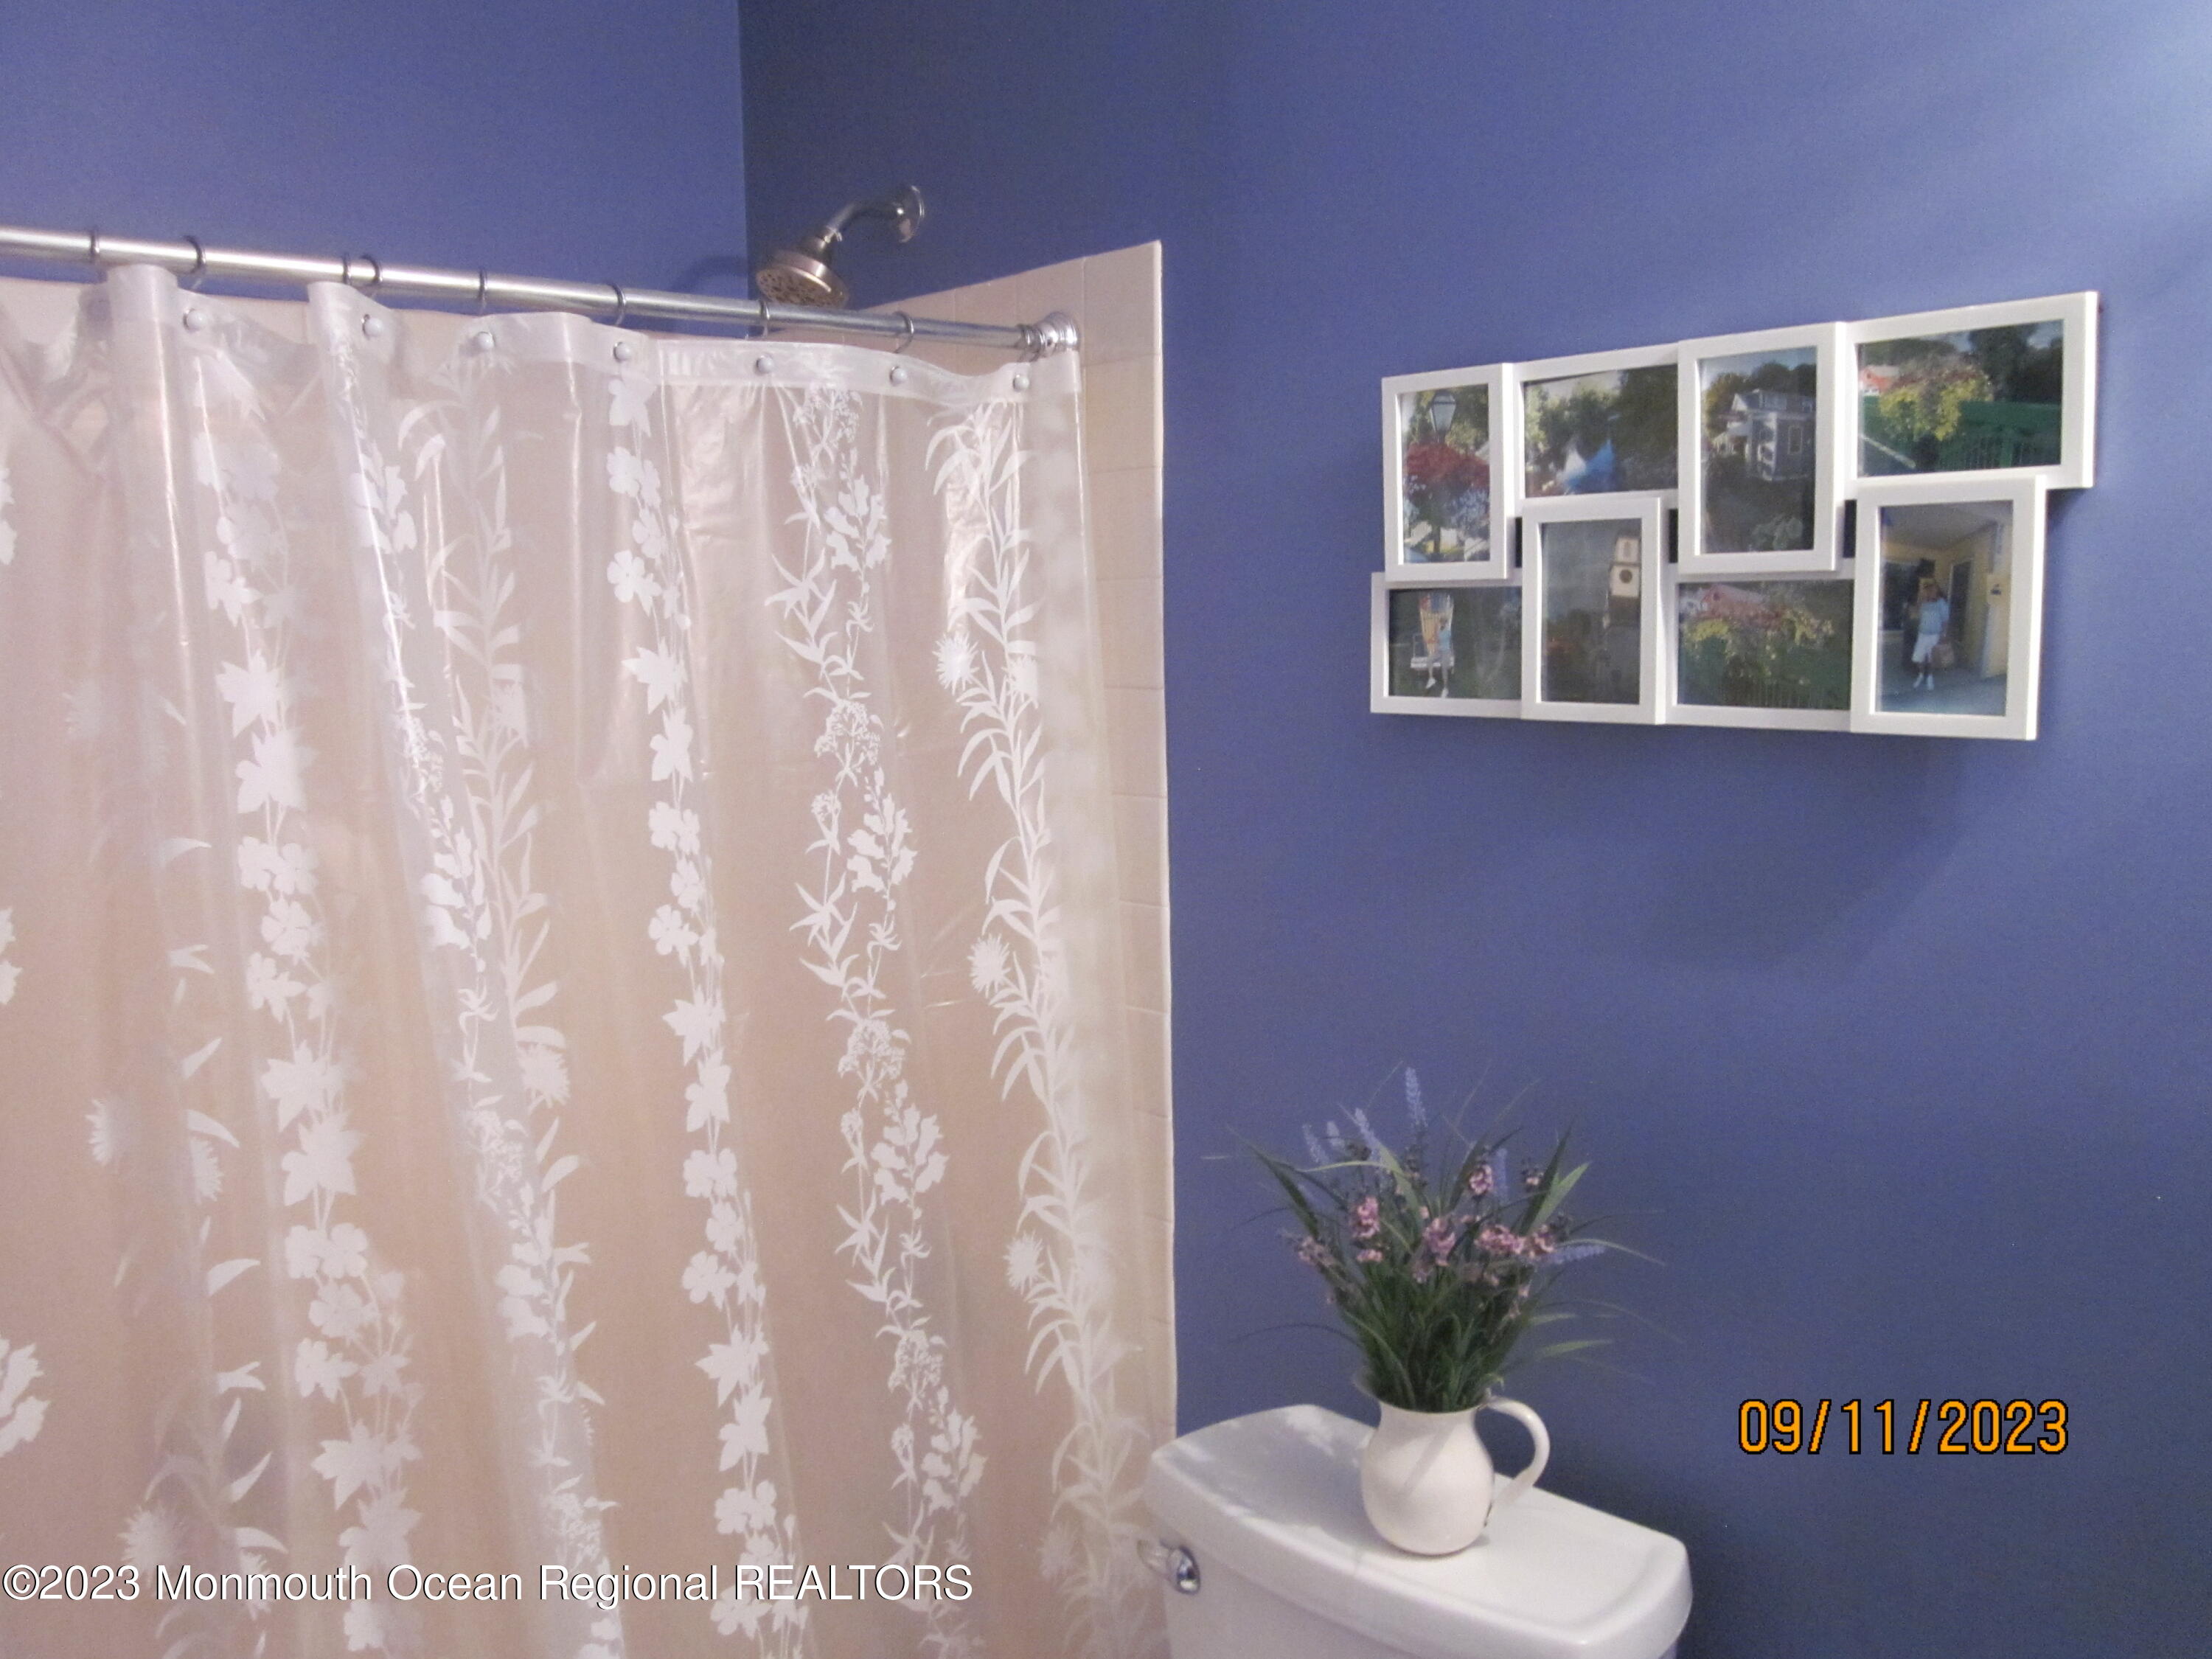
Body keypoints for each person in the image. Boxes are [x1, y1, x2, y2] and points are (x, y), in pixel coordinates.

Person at [1911, 576, 1950, 690]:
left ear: (1936, 590)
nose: (1930, 592)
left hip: (1934, 635)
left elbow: (1945, 620)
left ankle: (1930, 677)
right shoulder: (1923, 602)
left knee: (1931, 659)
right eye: (1928, 590)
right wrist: (1920, 599)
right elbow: (1915, 614)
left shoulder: (1941, 603)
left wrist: (1944, 635)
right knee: (1919, 658)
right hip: (1922, 634)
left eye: (1933, 589)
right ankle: (1921, 675)